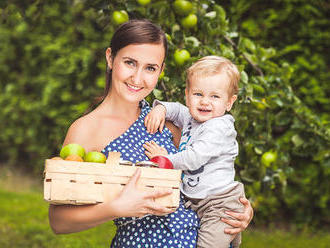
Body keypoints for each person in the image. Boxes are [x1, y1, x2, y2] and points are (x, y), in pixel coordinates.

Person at [48, 19, 253, 248]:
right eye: (129, 62)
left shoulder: (166, 122)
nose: (137, 78)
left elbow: (207, 174)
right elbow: (59, 221)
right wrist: (117, 207)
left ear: (161, 70)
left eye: (150, 68)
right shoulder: (86, 129)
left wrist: (237, 211)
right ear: (110, 58)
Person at [143, 55, 245, 248]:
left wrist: (165, 159)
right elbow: (177, 110)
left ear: (229, 102)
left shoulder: (219, 127)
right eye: (198, 94)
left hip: (219, 203)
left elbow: (194, 158)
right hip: (199, 200)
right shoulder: (192, 117)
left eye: (215, 96)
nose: (205, 102)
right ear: (187, 94)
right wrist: (161, 109)